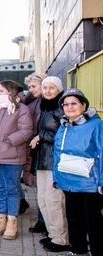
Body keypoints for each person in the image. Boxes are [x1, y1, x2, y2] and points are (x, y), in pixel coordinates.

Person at [53, 88, 102, 256]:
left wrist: (102, 182)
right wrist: (57, 178)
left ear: (84, 105)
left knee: (94, 224)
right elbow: (58, 154)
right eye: (65, 104)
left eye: (74, 103)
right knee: (74, 220)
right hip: (68, 182)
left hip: (90, 185)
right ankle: (78, 251)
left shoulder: (96, 125)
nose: (69, 107)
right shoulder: (64, 125)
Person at [0, 80, 33, 240]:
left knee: (12, 189)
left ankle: (12, 222)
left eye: (1, 91)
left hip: (13, 156)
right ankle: (0, 220)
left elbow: (26, 131)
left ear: (11, 93)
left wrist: (10, 140)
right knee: (0, 188)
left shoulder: (21, 109)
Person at [29, 77, 69, 251]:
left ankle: (61, 240)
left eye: (52, 88)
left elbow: (65, 135)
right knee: (43, 201)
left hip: (54, 161)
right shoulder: (45, 107)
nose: (47, 91)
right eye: (45, 87)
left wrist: (41, 137)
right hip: (42, 160)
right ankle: (53, 235)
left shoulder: (61, 109)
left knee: (54, 202)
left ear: (59, 90)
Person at [22, 73, 48, 235]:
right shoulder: (31, 101)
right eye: (29, 87)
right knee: (39, 187)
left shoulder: (48, 103)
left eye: (34, 86)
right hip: (32, 148)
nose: (31, 89)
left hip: (44, 148)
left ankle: (46, 222)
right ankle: (42, 220)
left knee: (46, 189)